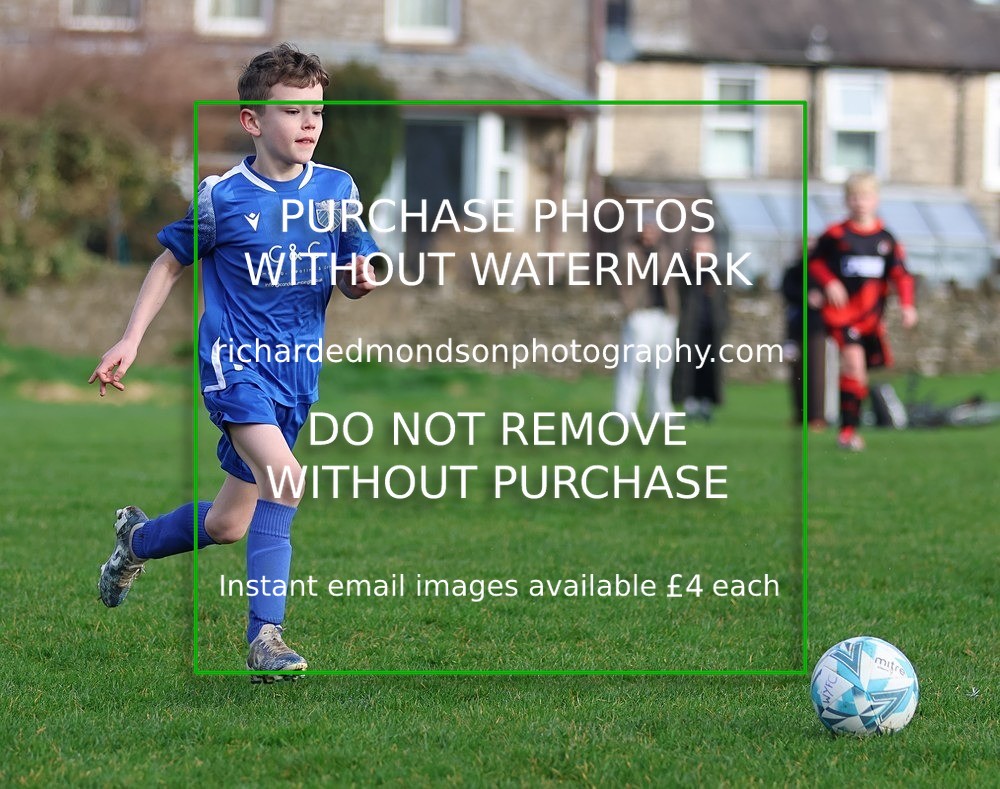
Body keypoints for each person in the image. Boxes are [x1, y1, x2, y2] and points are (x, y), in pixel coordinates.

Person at [89, 43, 378, 680]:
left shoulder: (337, 190)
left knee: (227, 524)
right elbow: (169, 263)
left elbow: (360, 271)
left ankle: (134, 542)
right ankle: (265, 637)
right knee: (286, 478)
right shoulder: (223, 198)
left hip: (295, 377)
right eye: (294, 110)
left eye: (318, 111)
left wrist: (359, 279)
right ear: (252, 121)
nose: (310, 123)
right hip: (234, 366)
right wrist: (130, 340)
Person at [808, 172, 917, 451]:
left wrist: (907, 305)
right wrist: (829, 282)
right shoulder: (835, 235)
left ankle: (851, 427)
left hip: (872, 321)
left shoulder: (886, 239)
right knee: (853, 363)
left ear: (876, 200)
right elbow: (813, 263)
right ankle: (846, 432)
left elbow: (901, 275)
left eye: (865, 197)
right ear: (846, 201)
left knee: (860, 376)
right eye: (854, 197)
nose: (860, 203)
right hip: (842, 316)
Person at [613, 222, 680, 420]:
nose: (649, 233)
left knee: (662, 367)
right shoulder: (629, 252)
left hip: (663, 315)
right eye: (646, 228)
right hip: (640, 314)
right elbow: (622, 284)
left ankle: (660, 410)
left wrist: (674, 311)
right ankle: (624, 410)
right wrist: (630, 310)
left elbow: (671, 284)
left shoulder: (665, 251)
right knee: (633, 365)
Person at [672, 231, 729, 421]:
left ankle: (706, 406)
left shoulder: (718, 273)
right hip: (689, 328)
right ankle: (689, 404)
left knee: (709, 368)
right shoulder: (685, 271)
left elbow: (725, 301)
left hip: (711, 329)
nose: (700, 252)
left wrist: (723, 321)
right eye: (697, 248)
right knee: (688, 367)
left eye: (704, 249)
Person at [780, 242, 827, 428]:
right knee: (796, 373)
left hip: (816, 328)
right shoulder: (793, 271)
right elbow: (787, 291)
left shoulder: (822, 272)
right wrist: (805, 296)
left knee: (815, 372)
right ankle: (799, 414)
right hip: (795, 328)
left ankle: (816, 416)